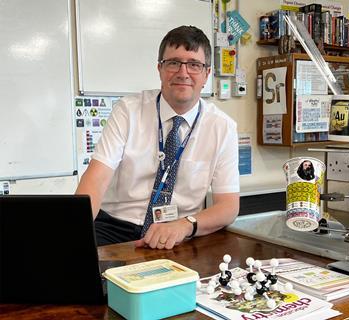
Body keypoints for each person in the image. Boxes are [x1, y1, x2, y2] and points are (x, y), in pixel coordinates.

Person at [76, 26, 240, 249]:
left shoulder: (223, 127)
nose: (183, 73)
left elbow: (228, 206)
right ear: (160, 69)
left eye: (194, 64)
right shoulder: (128, 111)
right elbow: (96, 179)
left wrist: (186, 225)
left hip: (179, 232)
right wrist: (73, 230)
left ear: (206, 74)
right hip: (115, 227)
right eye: (173, 63)